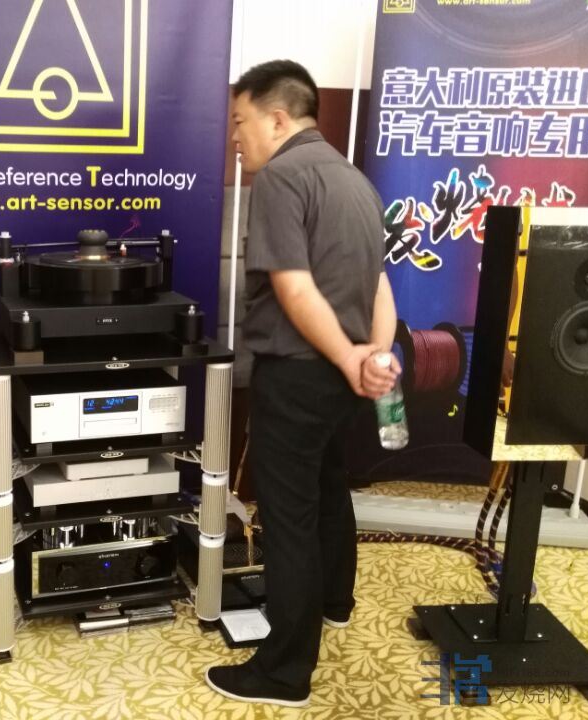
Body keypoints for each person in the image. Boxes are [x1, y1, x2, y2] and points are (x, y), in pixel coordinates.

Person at [205, 60, 400, 707]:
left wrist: (347, 357)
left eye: (240, 121)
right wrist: (373, 356)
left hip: (299, 373)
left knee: (288, 518)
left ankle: (283, 673)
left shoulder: (282, 177)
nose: (235, 138)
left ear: (277, 118)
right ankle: (335, 602)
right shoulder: (356, 182)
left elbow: (293, 287)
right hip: (341, 381)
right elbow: (380, 288)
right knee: (327, 488)